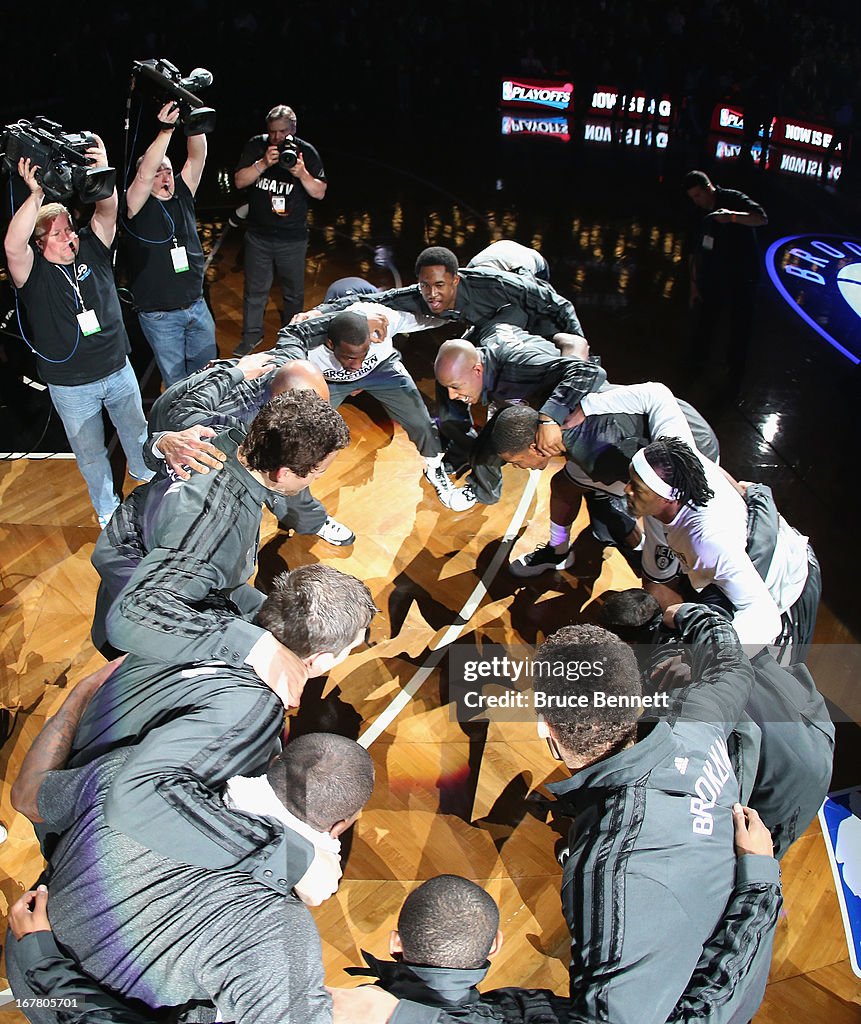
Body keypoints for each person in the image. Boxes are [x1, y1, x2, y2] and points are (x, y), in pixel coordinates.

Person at [7, 686, 379, 1024]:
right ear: (341, 826)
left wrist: (79, 695)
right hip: (51, 999)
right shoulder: (277, 930)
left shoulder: (134, 775)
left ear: (272, 763)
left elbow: (30, 799)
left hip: (25, 946)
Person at [533, 607, 781, 1024]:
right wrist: (691, 612)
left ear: (547, 729)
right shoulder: (696, 715)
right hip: (744, 964)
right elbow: (732, 663)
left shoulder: (605, 876)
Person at [97, 389, 350, 702]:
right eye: (318, 472)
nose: (316, 480)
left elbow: (175, 408)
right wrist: (254, 646)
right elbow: (131, 616)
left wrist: (161, 442)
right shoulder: (217, 527)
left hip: (158, 562)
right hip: (154, 634)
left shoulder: (213, 437)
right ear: (283, 474)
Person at [602, 588, 835, 859]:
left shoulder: (662, 676)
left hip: (787, 773)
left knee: (753, 860)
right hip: (813, 724)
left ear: (626, 644)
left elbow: (680, 757)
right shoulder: (707, 624)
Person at [4, 146, 153, 529]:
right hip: (72, 387)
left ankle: (146, 476)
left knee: (136, 433)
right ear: (41, 242)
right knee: (90, 453)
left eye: (69, 228)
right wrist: (36, 195)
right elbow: (11, 245)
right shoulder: (31, 274)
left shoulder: (92, 249)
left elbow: (107, 211)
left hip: (118, 371)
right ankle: (107, 508)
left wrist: (100, 165)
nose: (69, 237)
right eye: (58, 233)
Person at [489, 381, 717, 576]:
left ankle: (664, 572)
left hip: (693, 448)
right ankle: (558, 550)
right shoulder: (553, 412)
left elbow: (654, 496)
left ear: (535, 448)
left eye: (517, 462)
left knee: (659, 531)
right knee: (564, 485)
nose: (518, 468)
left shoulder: (598, 453)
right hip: (661, 423)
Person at [626, 436, 818, 658]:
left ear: (670, 497)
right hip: (743, 562)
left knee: (774, 675)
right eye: (629, 480)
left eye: (637, 489)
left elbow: (765, 617)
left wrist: (704, 659)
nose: (626, 490)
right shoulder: (679, 463)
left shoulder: (707, 540)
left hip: (785, 586)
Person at [278, 307, 474, 511]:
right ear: (330, 344)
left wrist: (460, 311)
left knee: (420, 420)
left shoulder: (384, 322)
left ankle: (433, 466)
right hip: (330, 383)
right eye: (349, 357)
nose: (357, 365)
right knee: (307, 432)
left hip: (381, 371)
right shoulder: (308, 349)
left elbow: (425, 315)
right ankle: (295, 492)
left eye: (363, 354)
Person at [432, 331, 606, 505]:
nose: (452, 395)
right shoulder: (486, 344)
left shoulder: (517, 367)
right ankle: (482, 491)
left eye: (455, 387)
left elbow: (587, 372)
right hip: (531, 398)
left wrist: (549, 418)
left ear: (478, 369)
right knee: (497, 438)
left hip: (572, 401)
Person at [298, 246, 584, 345]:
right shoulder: (421, 294)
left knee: (543, 327)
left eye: (440, 286)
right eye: (425, 286)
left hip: (521, 263)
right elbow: (373, 300)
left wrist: (581, 348)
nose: (432, 295)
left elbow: (559, 304)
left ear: (455, 280)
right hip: (488, 285)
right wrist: (320, 311)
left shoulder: (496, 284)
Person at [122, 102, 216, 386]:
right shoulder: (135, 204)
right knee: (177, 382)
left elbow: (197, 156)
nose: (165, 177)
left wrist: (193, 118)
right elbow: (143, 174)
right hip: (161, 315)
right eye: (159, 171)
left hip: (196, 305)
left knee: (209, 374)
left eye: (168, 171)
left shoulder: (182, 192)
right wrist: (165, 131)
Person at [234, 104, 327, 356]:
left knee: (293, 294)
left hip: (292, 239)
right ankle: (251, 336)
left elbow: (319, 192)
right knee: (254, 292)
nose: (276, 138)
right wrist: (262, 163)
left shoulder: (305, 152)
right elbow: (239, 180)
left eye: (283, 132)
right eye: (272, 132)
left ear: (293, 129)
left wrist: (301, 172)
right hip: (258, 237)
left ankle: (292, 339)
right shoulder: (256, 145)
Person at [684, 169, 767, 380]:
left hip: (742, 277)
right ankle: (696, 365)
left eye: (698, 195)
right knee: (706, 322)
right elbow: (693, 252)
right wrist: (694, 285)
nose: (697, 201)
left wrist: (731, 217)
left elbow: (761, 218)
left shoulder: (733, 198)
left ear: (708, 187)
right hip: (713, 278)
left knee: (740, 325)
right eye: (693, 198)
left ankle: (735, 370)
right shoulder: (698, 215)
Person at [466, 239, 550, 281]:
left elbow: (530, 294)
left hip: (537, 263)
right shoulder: (472, 265)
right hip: (503, 249)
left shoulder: (520, 271)